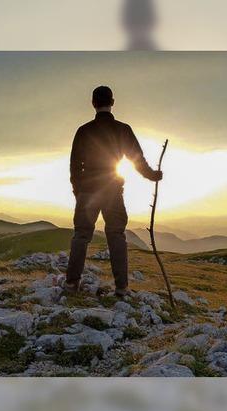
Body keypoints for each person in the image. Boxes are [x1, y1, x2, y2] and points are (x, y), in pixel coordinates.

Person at [65, 85, 163, 298]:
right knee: (117, 236)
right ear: (113, 102)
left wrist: (78, 191)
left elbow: (74, 166)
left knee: (81, 236)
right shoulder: (122, 129)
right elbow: (137, 160)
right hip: (112, 190)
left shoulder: (83, 131)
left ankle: (72, 285)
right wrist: (153, 175)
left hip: (87, 191)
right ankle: (122, 287)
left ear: (93, 103)